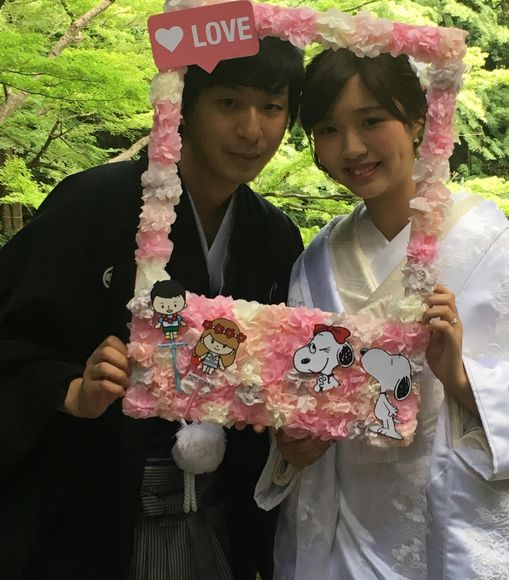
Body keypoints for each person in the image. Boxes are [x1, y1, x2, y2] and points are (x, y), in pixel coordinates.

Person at [256, 48, 509, 579]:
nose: (351, 147)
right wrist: (293, 441)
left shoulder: (486, 243)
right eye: (329, 129)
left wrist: (461, 378)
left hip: (451, 532)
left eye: (371, 121)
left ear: (416, 120)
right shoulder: (314, 261)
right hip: (344, 535)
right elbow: (297, 394)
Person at [0, 37, 304, 580]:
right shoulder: (92, 203)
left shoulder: (276, 235)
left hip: (221, 514)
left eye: (272, 107)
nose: (252, 129)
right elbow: (12, 333)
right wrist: (70, 389)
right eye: (229, 102)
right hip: (95, 514)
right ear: (184, 104)